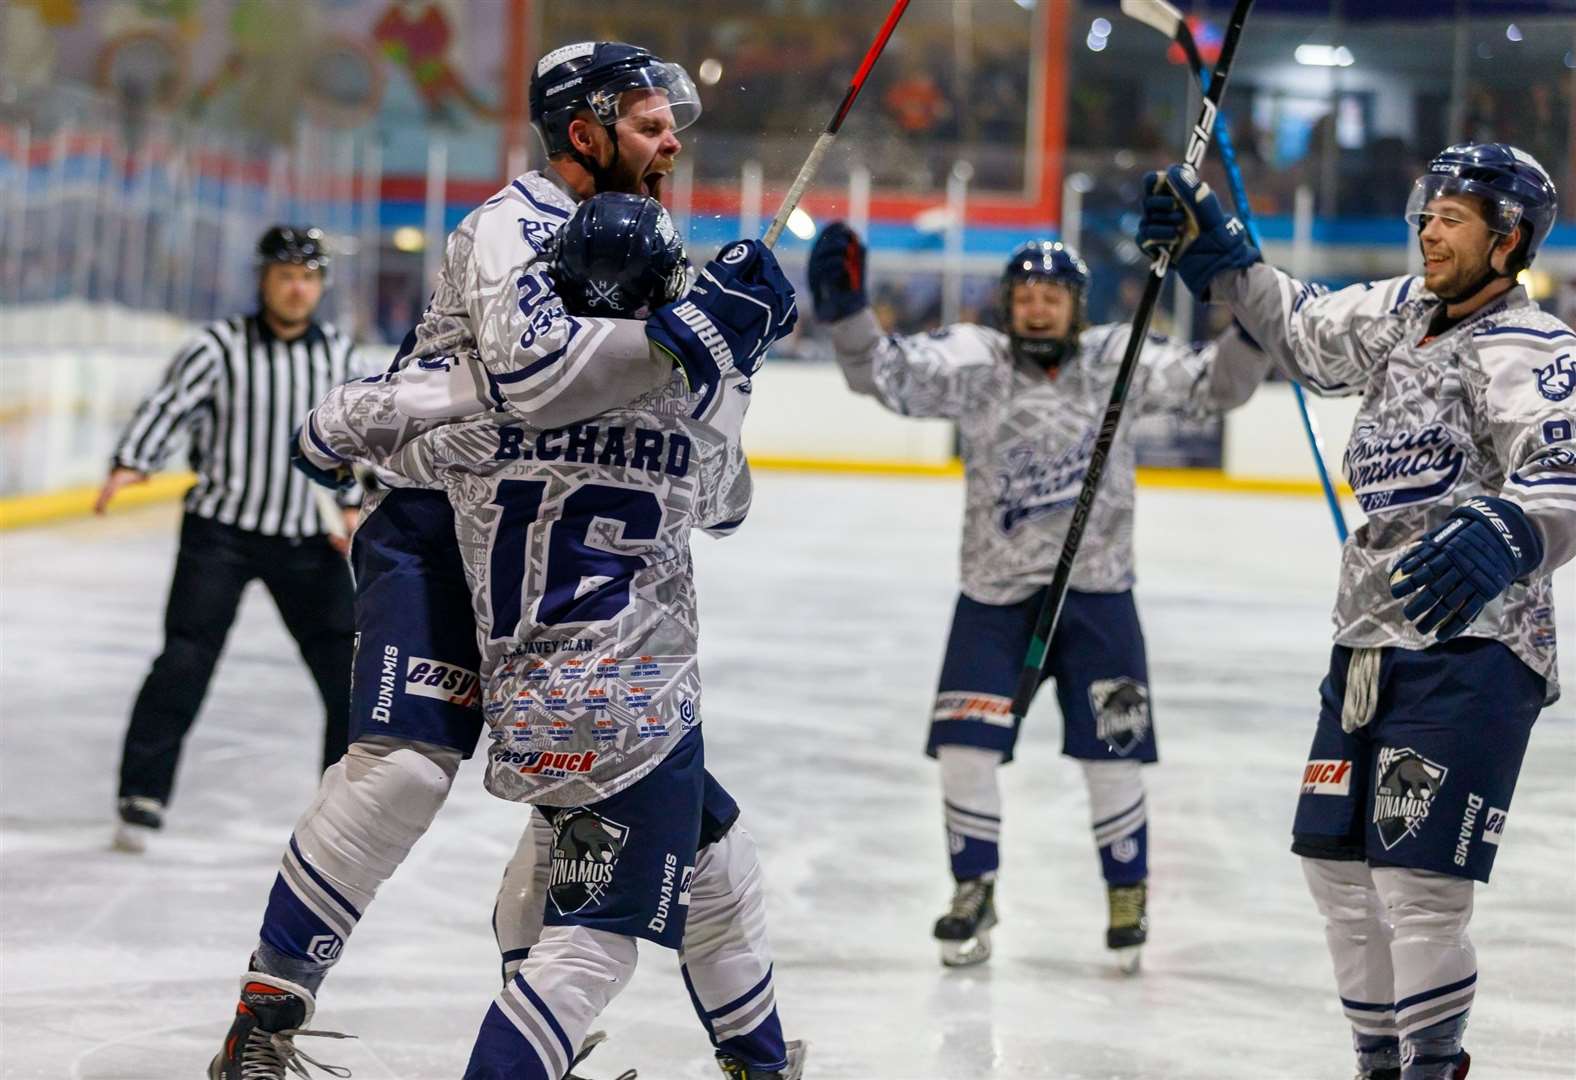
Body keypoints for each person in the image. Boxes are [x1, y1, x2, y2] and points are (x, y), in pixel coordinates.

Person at [209, 43, 784, 1080]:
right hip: (436, 527)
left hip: (538, 553)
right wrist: (701, 341)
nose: (672, 143)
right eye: (652, 123)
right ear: (583, 129)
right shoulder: (511, 226)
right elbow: (535, 378)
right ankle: (267, 1016)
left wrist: (724, 343)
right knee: (402, 778)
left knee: (628, 818)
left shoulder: (634, 235)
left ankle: (547, 1043)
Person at [1136, 143, 1574, 1080]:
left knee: (1419, 884)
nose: (1429, 229)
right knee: (1335, 868)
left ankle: (1433, 1065)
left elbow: (1563, 469)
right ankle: (1378, 1060)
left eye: (1454, 218)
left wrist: (1510, 529)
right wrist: (1224, 253)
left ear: (1509, 242)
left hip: (1476, 648)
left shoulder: (1531, 346)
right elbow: (1297, 327)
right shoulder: (1397, 311)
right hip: (1366, 641)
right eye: (1428, 212)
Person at [377, 202, 803, 1080]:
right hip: (633, 709)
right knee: (594, 946)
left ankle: (759, 1062)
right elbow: (731, 506)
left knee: (715, 859)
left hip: (528, 698)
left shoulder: (488, 405)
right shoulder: (681, 409)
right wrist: (733, 369)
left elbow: (393, 451)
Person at [806, 223, 1269, 971]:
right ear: (1007, 305)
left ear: (1076, 305)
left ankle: (1128, 891)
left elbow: (1220, 387)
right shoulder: (976, 363)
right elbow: (881, 375)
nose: (1038, 308)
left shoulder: (1113, 360)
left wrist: (1251, 314)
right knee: (964, 749)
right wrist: (849, 310)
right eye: (1025, 295)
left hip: (1098, 598)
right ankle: (973, 888)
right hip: (995, 598)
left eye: (1053, 295)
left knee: (1113, 755)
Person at [100, 226, 364, 853]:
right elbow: (170, 404)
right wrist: (132, 460)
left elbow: (361, 435)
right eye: (285, 276)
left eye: (308, 277)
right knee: (184, 660)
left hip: (308, 537)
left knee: (346, 673)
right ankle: (142, 793)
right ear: (263, 280)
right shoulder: (218, 347)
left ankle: (341, 808)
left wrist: (355, 506)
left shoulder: (341, 357)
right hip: (219, 532)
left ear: (320, 284)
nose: (298, 288)